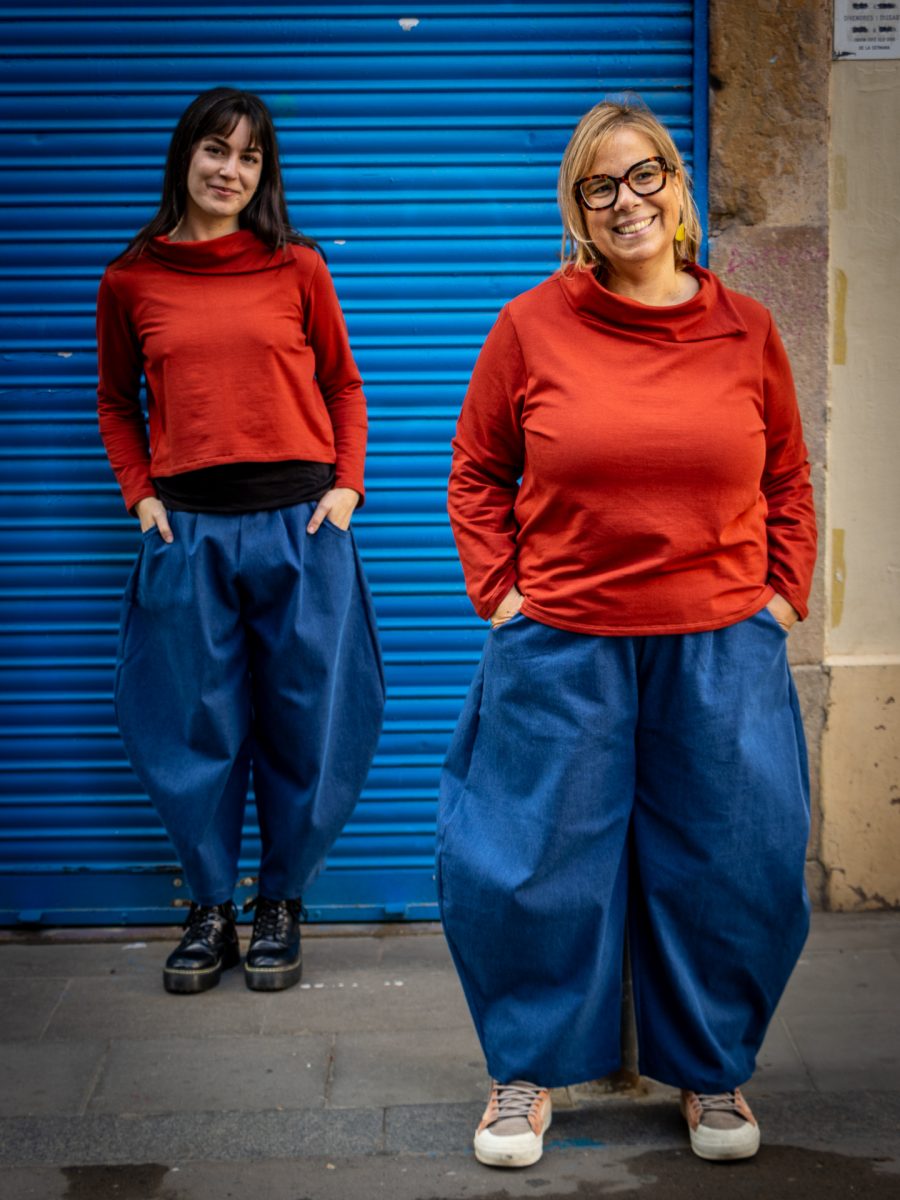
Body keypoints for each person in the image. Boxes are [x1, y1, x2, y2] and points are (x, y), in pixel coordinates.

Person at [439, 98, 815, 1167]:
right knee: (528, 862)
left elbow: (787, 476)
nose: (625, 201)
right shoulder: (531, 327)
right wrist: (504, 599)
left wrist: (780, 596)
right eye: (599, 186)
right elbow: (476, 476)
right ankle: (525, 1074)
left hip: (721, 644)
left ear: (679, 185)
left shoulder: (746, 328)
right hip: (563, 640)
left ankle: (710, 1073)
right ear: (577, 208)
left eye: (643, 174)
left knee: (733, 860)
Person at [96, 88, 384, 996]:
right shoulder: (132, 280)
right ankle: (212, 905)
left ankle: (282, 902)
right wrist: (142, 499)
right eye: (216, 151)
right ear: (185, 156)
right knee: (194, 729)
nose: (231, 171)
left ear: (265, 173)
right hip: (188, 534)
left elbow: (343, 385)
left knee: (311, 725)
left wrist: (345, 489)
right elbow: (114, 402)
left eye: (250, 158)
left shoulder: (297, 268)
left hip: (302, 530)